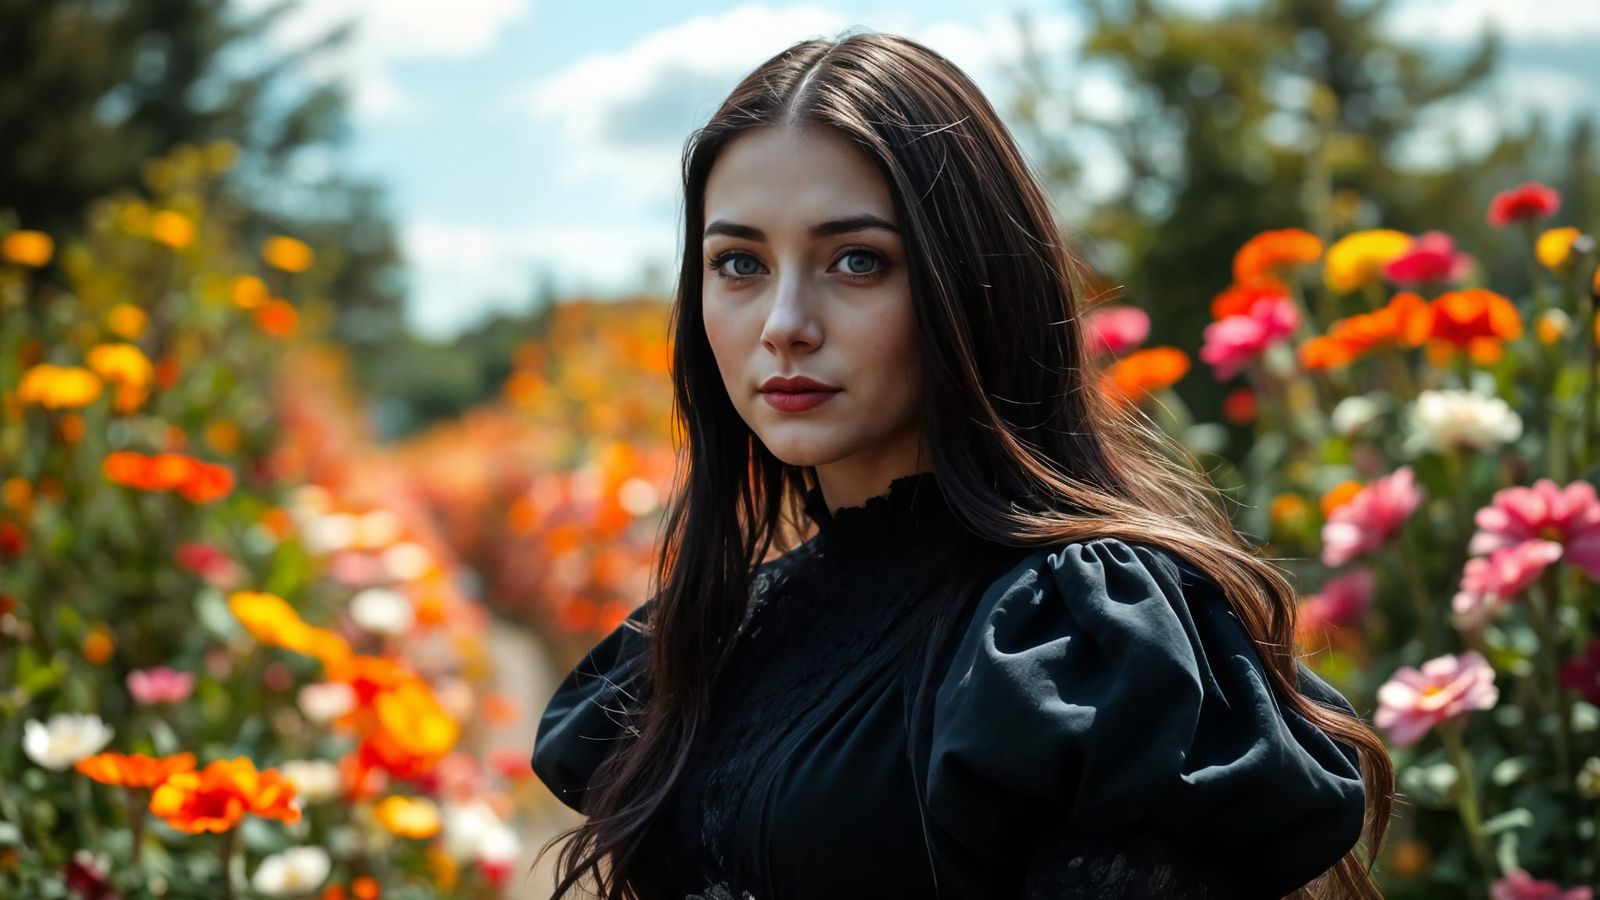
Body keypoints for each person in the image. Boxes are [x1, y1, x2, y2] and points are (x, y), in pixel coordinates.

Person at [530, 30, 1393, 900]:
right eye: (739, 263)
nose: (783, 322)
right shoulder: (728, 628)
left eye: (857, 261)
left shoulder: (1075, 637)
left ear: (973, 282)